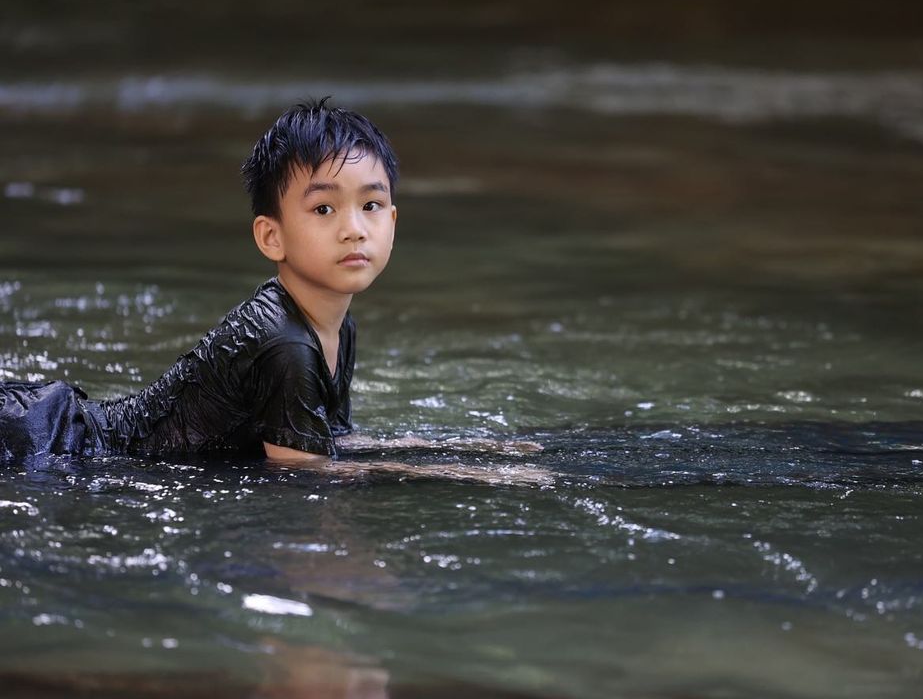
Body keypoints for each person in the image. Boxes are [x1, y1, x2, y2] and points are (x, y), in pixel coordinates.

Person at [0, 98, 543, 479]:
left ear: (393, 222)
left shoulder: (333, 321)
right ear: (271, 236)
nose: (354, 227)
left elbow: (328, 440)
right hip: (52, 447)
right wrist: (470, 474)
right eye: (324, 208)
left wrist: (452, 448)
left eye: (371, 205)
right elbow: (308, 475)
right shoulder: (284, 344)